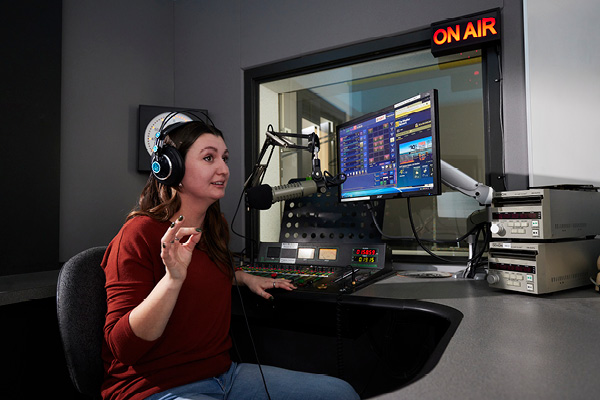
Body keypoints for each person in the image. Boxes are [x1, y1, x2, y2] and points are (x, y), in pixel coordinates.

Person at [101, 120, 360, 400]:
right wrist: (172, 280)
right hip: (154, 388)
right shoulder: (138, 234)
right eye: (209, 157)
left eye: (224, 158)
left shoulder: (214, 227)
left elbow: (204, 270)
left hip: (225, 375)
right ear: (171, 167)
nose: (223, 169)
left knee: (341, 393)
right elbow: (124, 348)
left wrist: (243, 276)